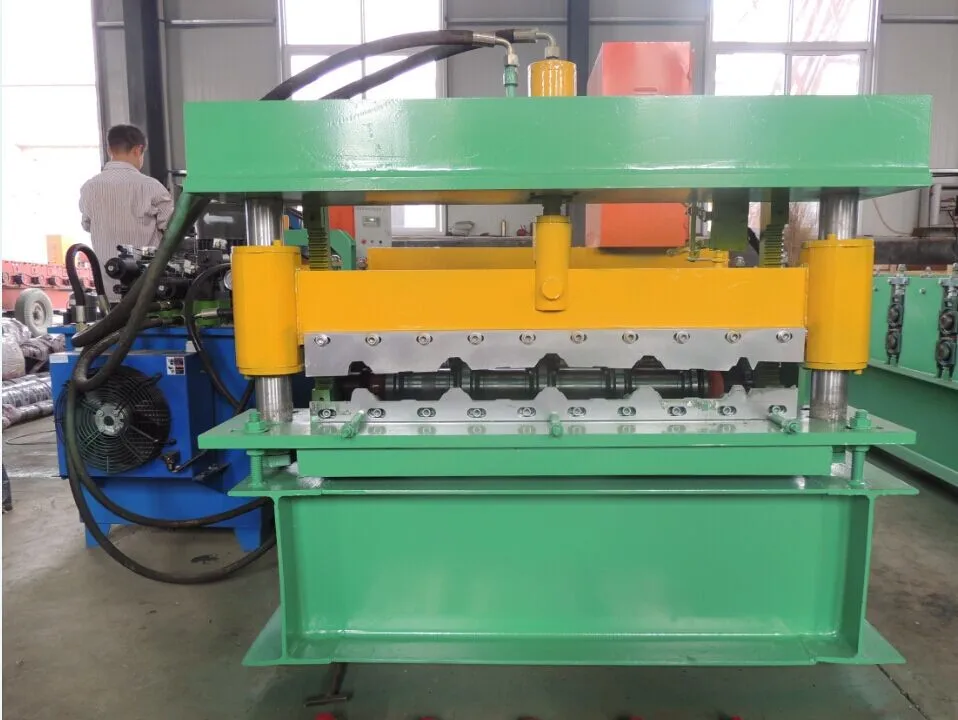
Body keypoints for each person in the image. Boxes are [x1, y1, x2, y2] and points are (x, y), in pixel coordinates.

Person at [79, 124, 173, 299]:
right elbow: (172, 229)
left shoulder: (89, 188)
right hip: (148, 291)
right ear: (138, 150)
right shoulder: (151, 187)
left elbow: (87, 225)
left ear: (109, 150)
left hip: (107, 290)